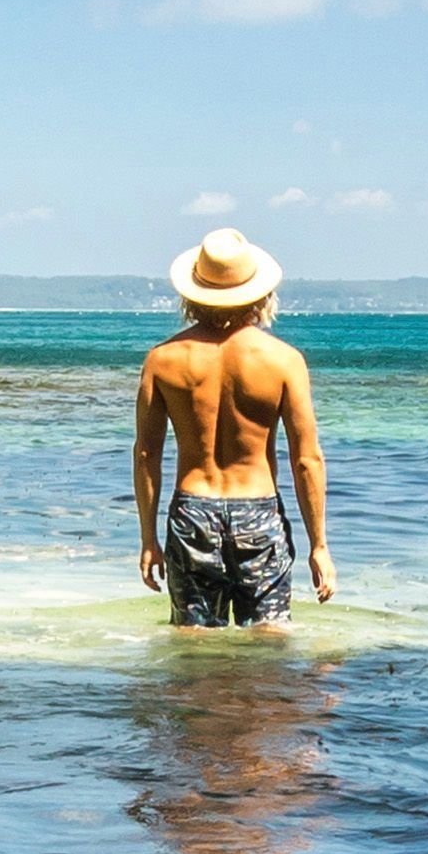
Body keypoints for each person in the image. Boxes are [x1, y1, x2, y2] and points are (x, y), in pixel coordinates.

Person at [130, 230, 330, 626]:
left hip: (193, 511)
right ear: (260, 294)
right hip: (258, 512)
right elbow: (306, 459)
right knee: (270, 638)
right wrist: (319, 545)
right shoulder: (284, 361)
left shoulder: (163, 360)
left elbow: (146, 455)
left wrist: (148, 539)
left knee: (192, 640)